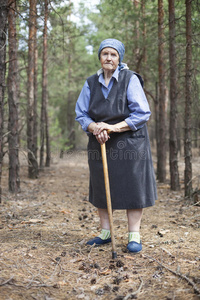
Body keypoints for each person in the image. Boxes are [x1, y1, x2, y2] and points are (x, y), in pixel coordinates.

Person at [75, 38, 157, 253]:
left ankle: (134, 236)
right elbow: (81, 113)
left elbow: (142, 113)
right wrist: (95, 128)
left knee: (133, 187)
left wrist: (111, 128)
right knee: (102, 185)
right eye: (105, 54)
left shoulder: (130, 79)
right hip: (99, 141)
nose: (109, 58)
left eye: (113, 54)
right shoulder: (91, 82)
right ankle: (105, 233)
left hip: (130, 142)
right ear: (100, 57)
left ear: (119, 58)